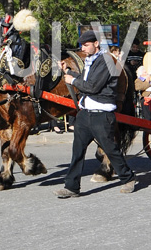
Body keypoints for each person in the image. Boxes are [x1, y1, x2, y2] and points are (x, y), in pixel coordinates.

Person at [55, 29, 136, 198]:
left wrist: (73, 81)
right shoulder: (92, 60)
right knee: (77, 151)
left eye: (86, 45)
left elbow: (93, 87)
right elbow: (87, 80)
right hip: (86, 114)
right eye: (82, 45)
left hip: (101, 114)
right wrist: (68, 72)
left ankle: (128, 178)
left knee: (111, 149)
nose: (83, 48)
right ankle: (71, 187)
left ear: (96, 44)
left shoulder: (106, 61)